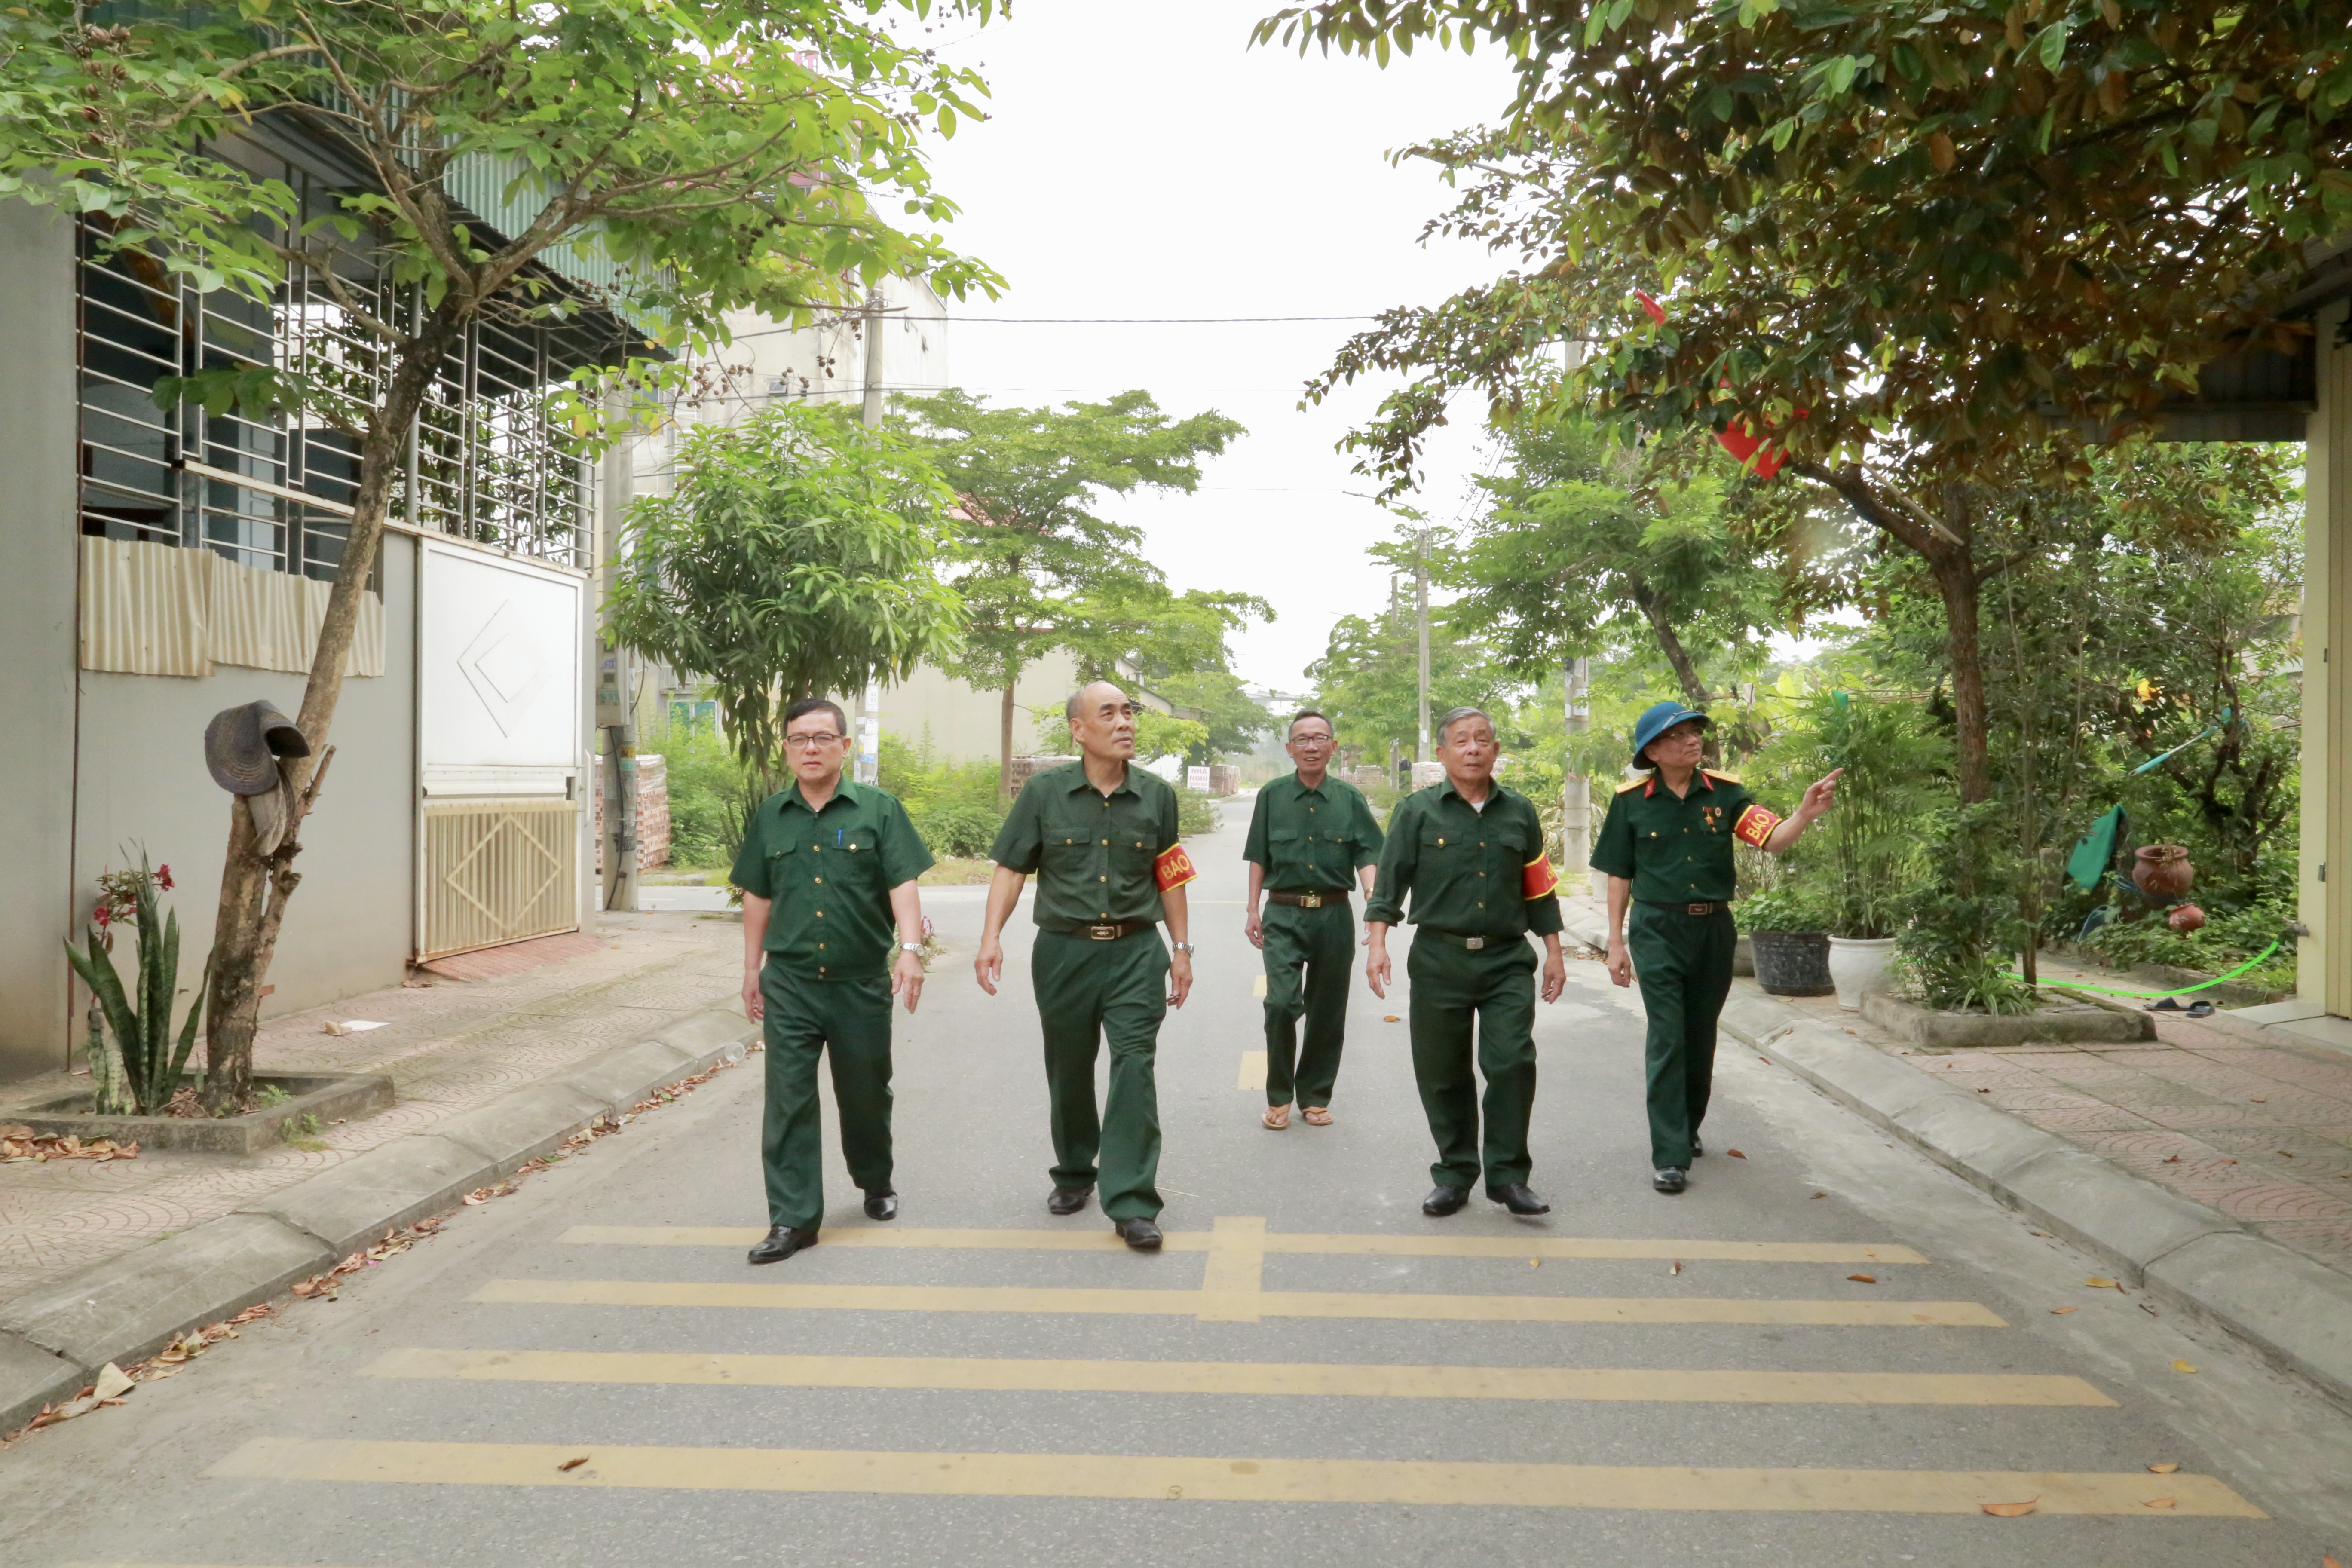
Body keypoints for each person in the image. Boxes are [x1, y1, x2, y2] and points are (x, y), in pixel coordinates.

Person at [975, 680, 1197, 1251]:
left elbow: (1169, 873)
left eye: (1129, 712)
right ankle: (1075, 1170)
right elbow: (1010, 867)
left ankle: (1132, 1202)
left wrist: (1182, 949)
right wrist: (990, 936)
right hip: (1064, 952)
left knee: (1134, 1066)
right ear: (1079, 729)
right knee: (1069, 1066)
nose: (1125, 723)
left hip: (1134, 952)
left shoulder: (1157, 796)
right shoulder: (1045, 794)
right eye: (1110, 713)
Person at [1592, 701, 1840, 1194]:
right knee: (1668, 1034)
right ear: (1654, 751)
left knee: (1700, 1032)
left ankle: (1687, 1125)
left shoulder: (1725, 795)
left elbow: (1772, 840)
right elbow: (1619, 874)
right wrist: (1615, 943)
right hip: (1656, 928)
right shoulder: (1631, 801)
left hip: (1713, 930)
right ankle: (1669, 1154)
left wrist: (1805, 814)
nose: (1692, 741)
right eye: (1679, 735)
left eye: (1695, 733)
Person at [732, 697, 934, 1265]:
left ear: (845, 746)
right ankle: (792, 1219)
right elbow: (757, 894)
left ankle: (875, 1179)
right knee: (788, 1100)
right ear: (788, 750)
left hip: (859, 984)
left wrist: (911, 951)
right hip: (791, 983)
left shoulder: (879, 810)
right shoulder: (772, 815)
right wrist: (751, 970)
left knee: (865, 1095)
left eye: (823, 738)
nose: (811, 749)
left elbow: (903, 883)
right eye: (800, 739)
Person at [1366, 707, 1568, 1217]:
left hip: (1505, 961)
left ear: (1497, 750)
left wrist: (1555, 954)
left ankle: (1508, 1178)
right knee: (1443, 1073)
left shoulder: (1519, 813)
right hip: (1439, 959)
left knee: (1512, 1064)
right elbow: (1388, 884)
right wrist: (1376, 944)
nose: (1473, 748)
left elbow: (1539, 890)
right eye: (1462, 740)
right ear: (1442, 754)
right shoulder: (1417, 813)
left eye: (1483, 739)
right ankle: (1455, 1174)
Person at [1243, 710, 1384, 1129]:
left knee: (1327, 1010)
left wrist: (1375, 905)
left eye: (1319, 738)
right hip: (1283, 912)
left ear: (1332, 747)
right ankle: (1279, 1094)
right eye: (1302, 739)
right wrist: (1253, 908)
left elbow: (1367, 854)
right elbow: (1257, 856)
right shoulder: (1271, 796)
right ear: (1290, 749)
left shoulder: (1349, 799)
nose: (1311, 746)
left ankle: (1316, 1096)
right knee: (1282, 1003)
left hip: (1334, 914)